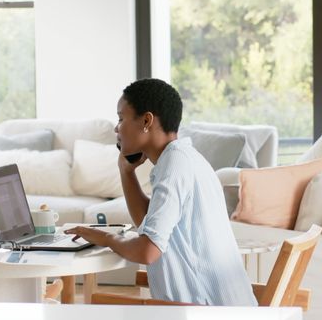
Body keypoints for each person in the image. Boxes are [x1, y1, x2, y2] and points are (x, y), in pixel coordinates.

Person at [66, 78, 256, 306]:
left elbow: (148, 251)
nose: (116, 128)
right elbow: (149, 225)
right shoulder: (184, 158)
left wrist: (105, 238)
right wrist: (126, 172)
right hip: (222, 311)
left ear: (146, 120)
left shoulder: (174, 167)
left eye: (121, 118)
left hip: (205, 317)